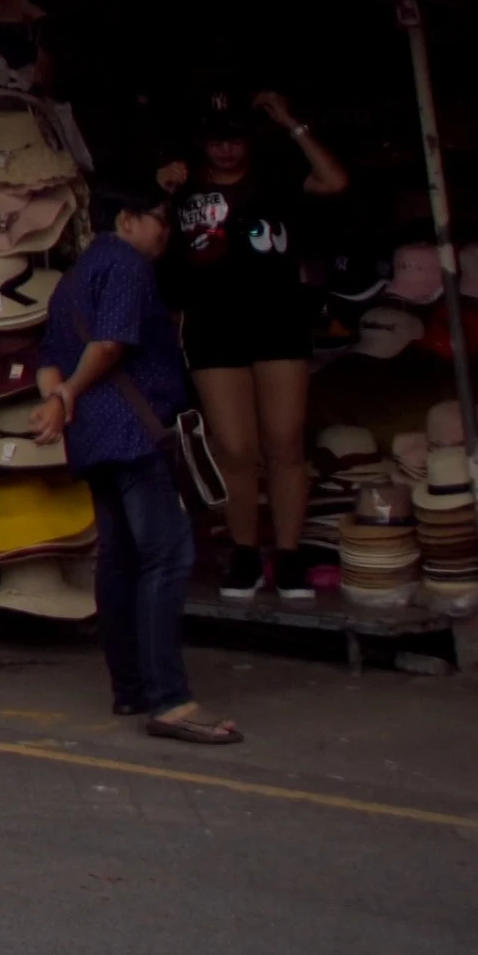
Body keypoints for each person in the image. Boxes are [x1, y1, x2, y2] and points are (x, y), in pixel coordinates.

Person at [34, 189, 239, 744]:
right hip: (136, 432)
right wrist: (73, 389)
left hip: (93, 438)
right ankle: (170, 699)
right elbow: (112, 344)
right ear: (126, 220)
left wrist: (60, 399)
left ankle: (130, 687)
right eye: (160, 221)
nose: (166, 233)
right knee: (165, 558)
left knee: (119, 561)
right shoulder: (126, 265)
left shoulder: (71, 280)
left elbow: (48, 362)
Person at [162, 95, 347, 599]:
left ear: (250, 139)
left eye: (235, 138)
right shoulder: (183, 187)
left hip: (278, 320)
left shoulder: (276, 177)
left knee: (285, 442)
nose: (226, 149)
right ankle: (244, 553)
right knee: (235, 449)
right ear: (203, 142)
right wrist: (163, 189)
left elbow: (334, 181)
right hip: (212, 324)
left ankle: (288, 556)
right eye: (216, 140)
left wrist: (291, 122)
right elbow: (153, 247)